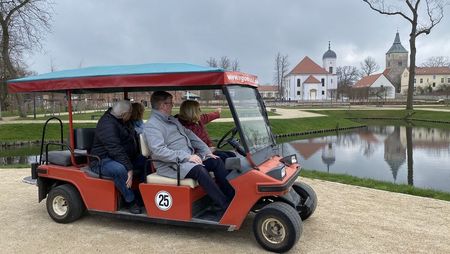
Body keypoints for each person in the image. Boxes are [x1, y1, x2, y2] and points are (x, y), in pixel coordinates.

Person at [144, 91, 234, 218]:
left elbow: (190, 135)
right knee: (199, 170)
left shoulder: (172, 120)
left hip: (186, 160)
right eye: (170, 103)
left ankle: (233, 197)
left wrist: (206, 152)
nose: (172, 106)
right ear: (163, 105)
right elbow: (159, 151)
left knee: (216, 160)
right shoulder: (152, 126)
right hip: (170, 165)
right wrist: (186, 157)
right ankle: (224, 205)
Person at [90, 100, 145, 214]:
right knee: (119, 169)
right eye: (130, 113)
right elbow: (115, 149)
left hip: (122, 157)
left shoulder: (123, 121)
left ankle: (143, 192)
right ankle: (131, 200)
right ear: (125, 114)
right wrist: (129, 168)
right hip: (103, 160)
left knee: (146, 161)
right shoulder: (107, 124)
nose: (132, 115)